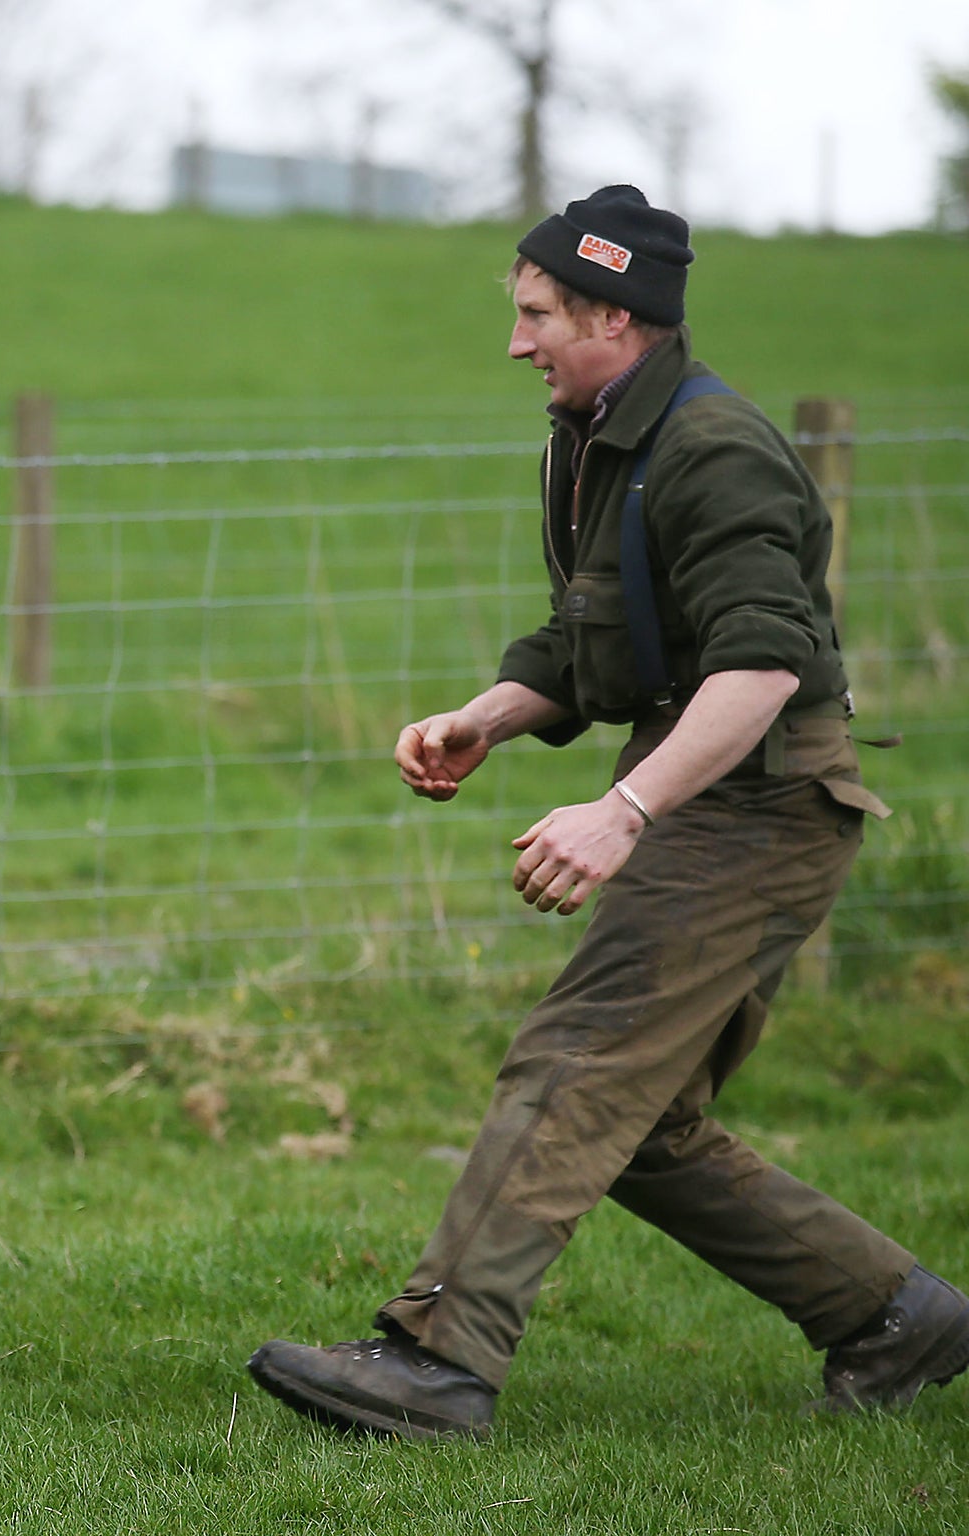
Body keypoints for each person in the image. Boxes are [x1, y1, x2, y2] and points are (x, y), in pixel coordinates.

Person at [246, 186, 969, 1441]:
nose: (514, 341)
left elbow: (759, 668)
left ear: (613, 317)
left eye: (535, 314)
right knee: (637, 1123)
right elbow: (589, 639)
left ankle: (436, 1361)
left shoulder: (712, 450)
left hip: (757, 806)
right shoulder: (593, 440)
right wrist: (484, 717)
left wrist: (621, 809)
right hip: (714, 796)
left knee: (574, 1065)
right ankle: (893, 1314)